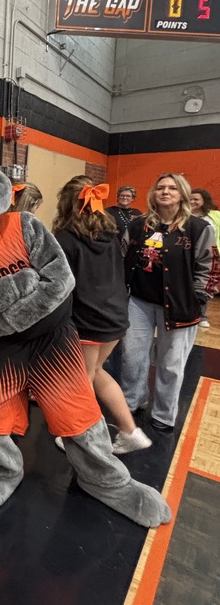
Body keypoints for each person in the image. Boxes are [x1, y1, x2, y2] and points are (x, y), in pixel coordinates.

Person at [53, 177, 151, 454]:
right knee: (95, 372)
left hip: (87, 318)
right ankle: (130, 430)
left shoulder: (65, 238)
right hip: (116, 314)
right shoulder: (110, 233)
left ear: (67, 203)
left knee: (81, 377)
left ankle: (81, 435)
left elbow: (60, 284)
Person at [120, 173, 215, 431]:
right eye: (160, 187)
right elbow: (122, 255)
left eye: (172, 188)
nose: (165, 192)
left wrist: (198, 297)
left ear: (182, 194)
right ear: (153, 194)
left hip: (179, 305)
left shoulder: (199, 228)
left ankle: (163, 414)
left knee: (170, 363)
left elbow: (209, 266)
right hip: (138, 301)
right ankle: (132, 400)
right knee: (132, 356)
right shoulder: (139, 225)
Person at [189, 187, 220, 327]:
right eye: (190, 199)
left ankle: (201, 315)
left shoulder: (214, 216)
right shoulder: (183, 215)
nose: (192, 202)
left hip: (209, 255)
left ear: (204, 201)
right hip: (188, 255)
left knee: (204, 284)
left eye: (196, 199)